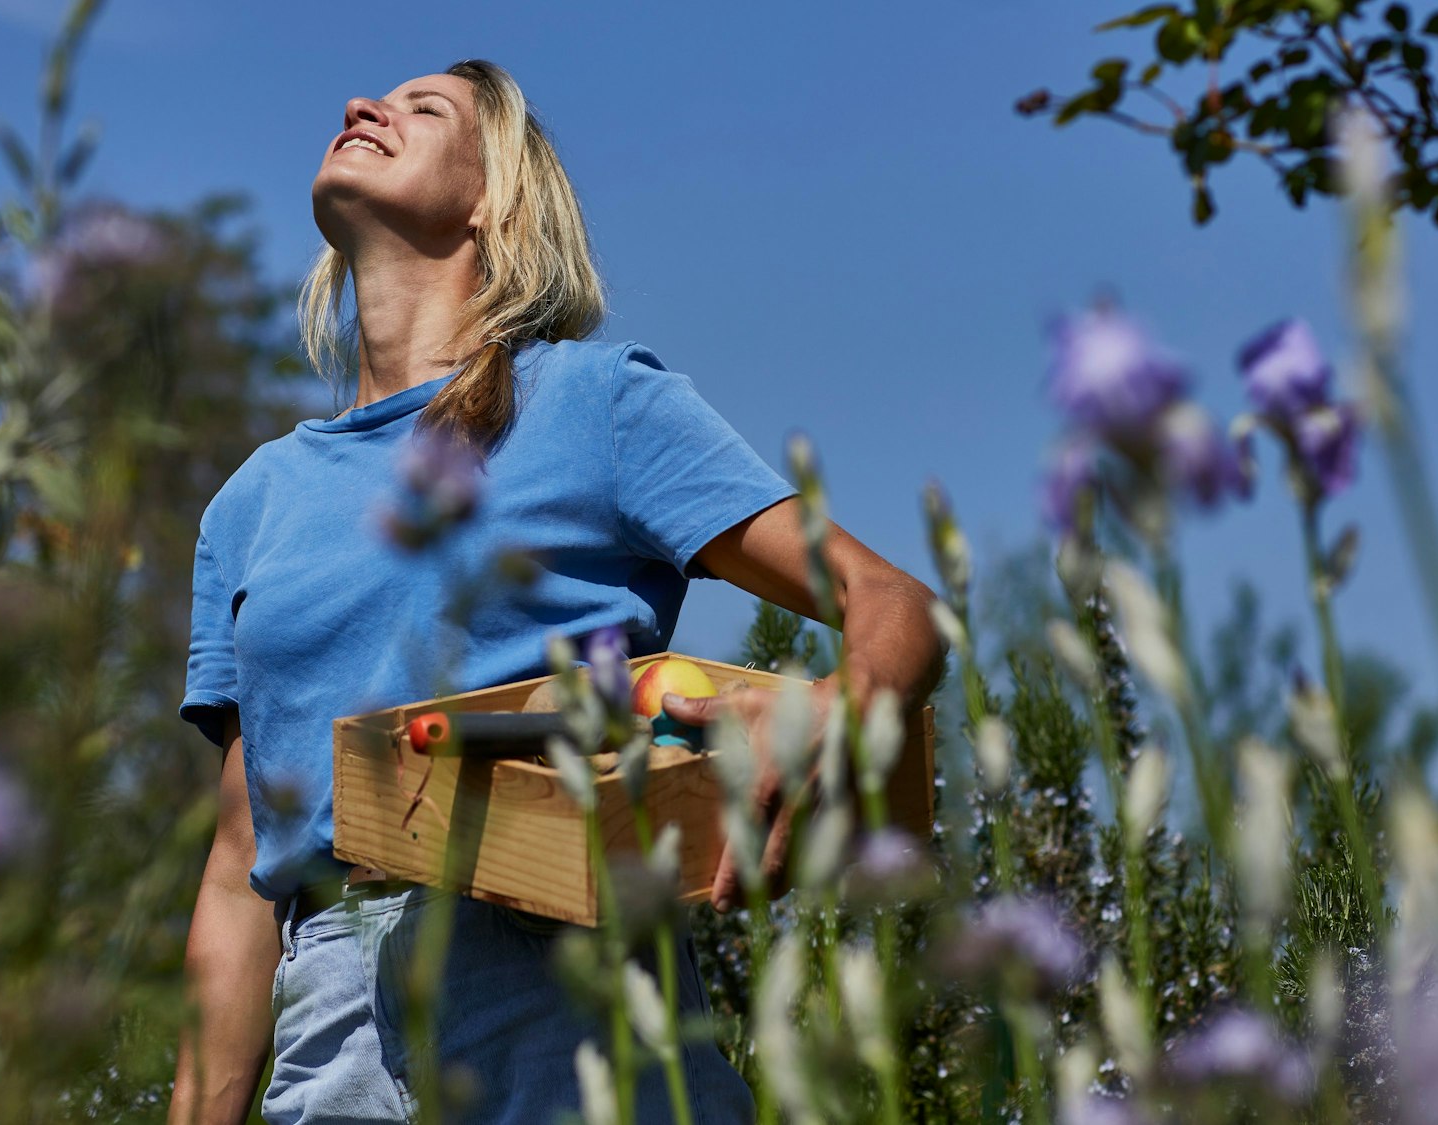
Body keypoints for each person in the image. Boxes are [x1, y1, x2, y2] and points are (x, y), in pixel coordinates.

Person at [166, 58, 946, 1125]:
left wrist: (841, 714)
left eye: (420, 108)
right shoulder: (250, 504)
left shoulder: (595, 405)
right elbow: (237, 867)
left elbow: (888, 597)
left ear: (493, 197)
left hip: (555, 994)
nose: (361, 107)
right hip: (330, 1026)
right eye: (369, 101)